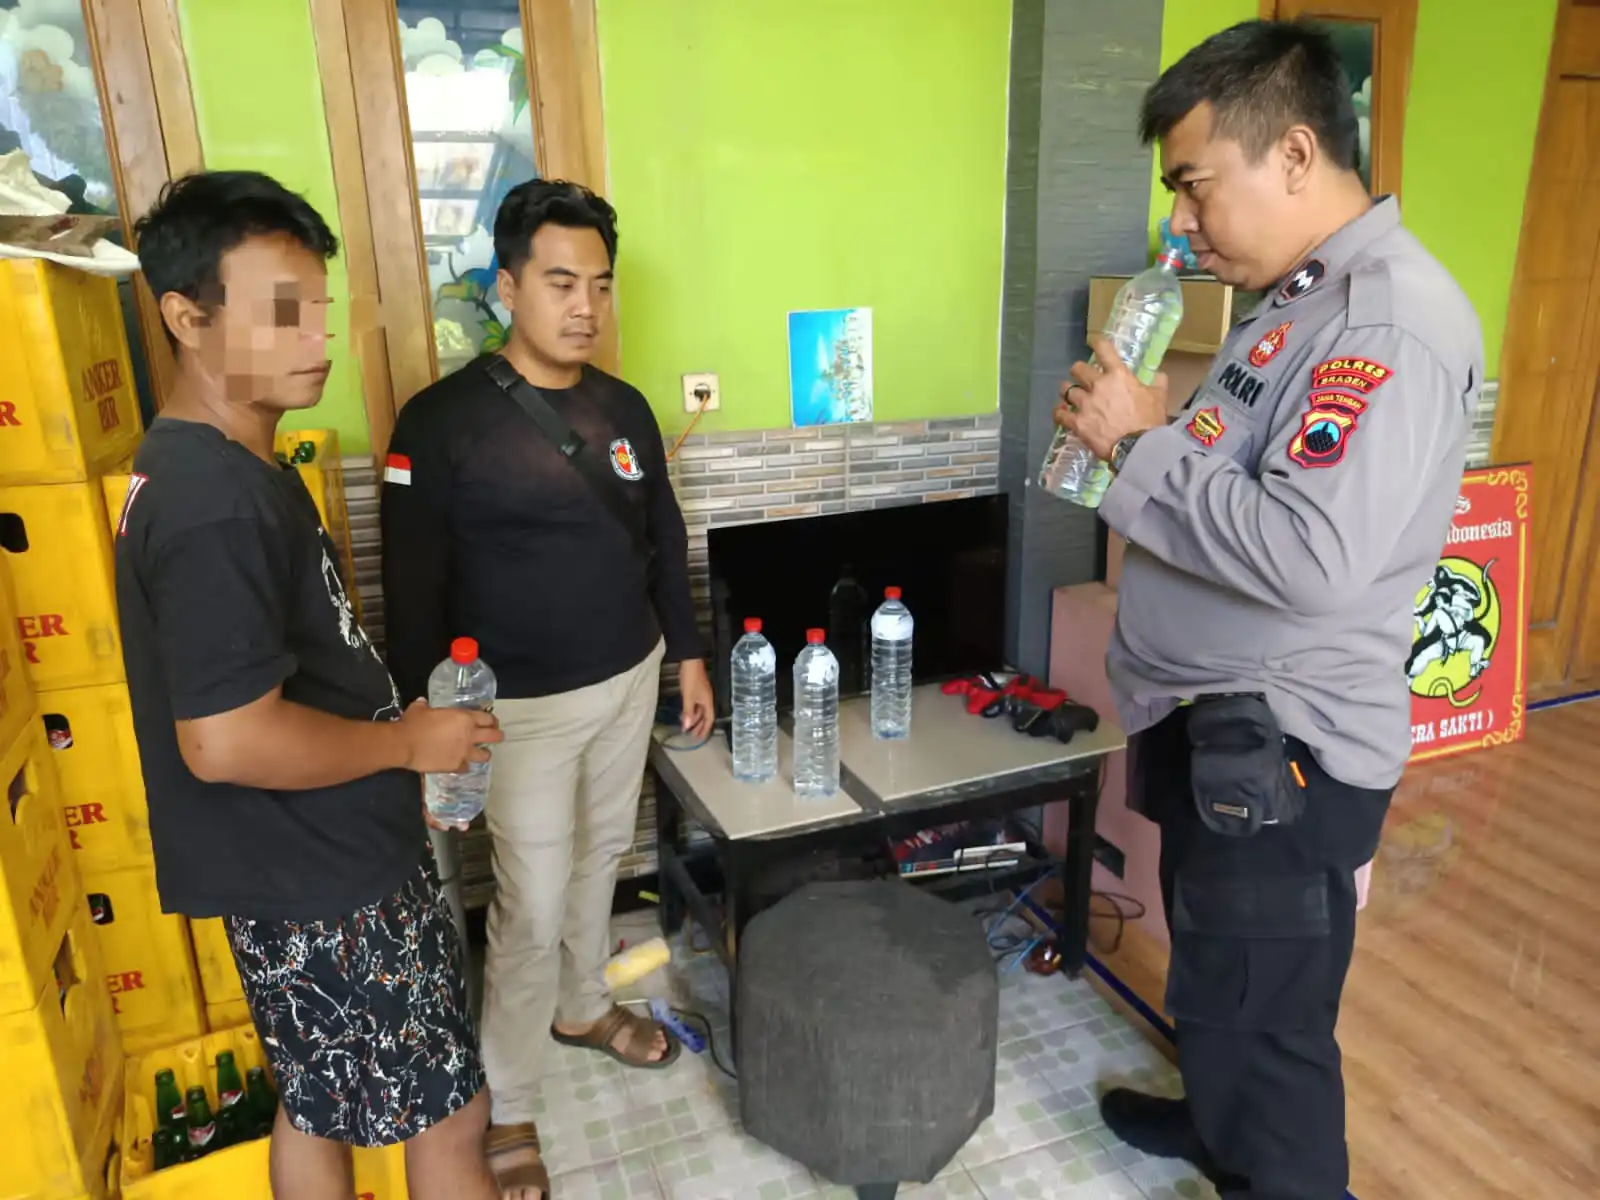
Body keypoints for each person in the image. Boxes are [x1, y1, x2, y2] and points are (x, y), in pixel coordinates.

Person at [1054, 21, 1480, 1199]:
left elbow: (1310, 554)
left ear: (1292, 153)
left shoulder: (1382, 322)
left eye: (1194, 184)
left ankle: (1269, 1161)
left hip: (1283, 752)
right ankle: (1216, 1120)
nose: (1180, 219)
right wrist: (1137, 436)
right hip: (1218, 726)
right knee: (1221, 974)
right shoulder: (1294, 297)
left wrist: (1138, 446)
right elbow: (1229, 474)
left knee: (1270, 1021)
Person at [118, 171, 505, 1200]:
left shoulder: (224, 466)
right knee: (453, 1116)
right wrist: (408, 743)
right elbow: (227, 739)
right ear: (187, 318)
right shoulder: (211, 501)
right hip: (326, 883)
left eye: (319, 308)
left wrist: (399, 738)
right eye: (281, 311)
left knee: (317, 1100)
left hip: (298, 868)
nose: (316, 337)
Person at [381, 178, 713, 1198]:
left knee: (601, 858)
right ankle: (511, 1101)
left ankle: (584, 1007)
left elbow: (662, 536)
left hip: (628, 679)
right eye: (561, 282)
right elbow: (411, 587)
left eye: (600, 285)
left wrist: (688, 653)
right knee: (526, 905)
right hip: (513, 711)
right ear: (507, 285)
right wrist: (423, 725)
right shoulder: (439, 422)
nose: (585, 306)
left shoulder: (623, 406)